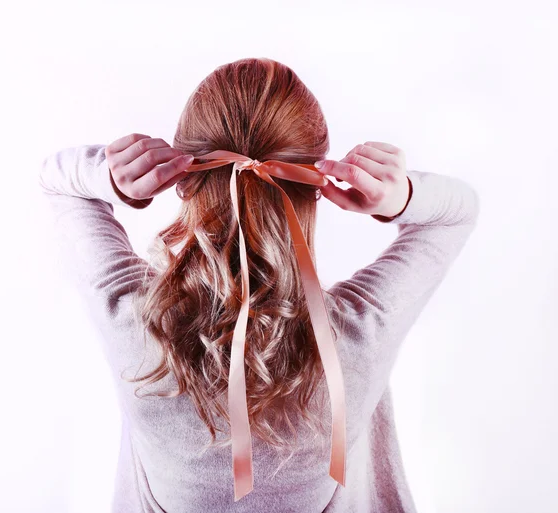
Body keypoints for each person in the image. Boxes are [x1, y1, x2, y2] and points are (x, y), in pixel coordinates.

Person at [38, 57, 480, 513]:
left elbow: (57, 181)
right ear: (315, 186)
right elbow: (457, 213)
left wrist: (108, 176)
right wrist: (400, 196)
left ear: (182, 182)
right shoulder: (357, 335)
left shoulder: (137, 326)